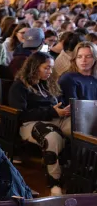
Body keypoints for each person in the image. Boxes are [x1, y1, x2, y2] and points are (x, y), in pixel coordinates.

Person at [9, 52, 70, 196]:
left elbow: (54, 108)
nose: (50, 71)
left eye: (51, 68)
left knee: (79, 129)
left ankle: (81, 172)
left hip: (53, 119)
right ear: (35, 67)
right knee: (52, 137)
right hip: (29, 124)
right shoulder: (19, 87)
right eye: (46, 68)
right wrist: (52, 112)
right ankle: (54, 181)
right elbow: (21, 115)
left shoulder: (47, 84)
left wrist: (63, 110)